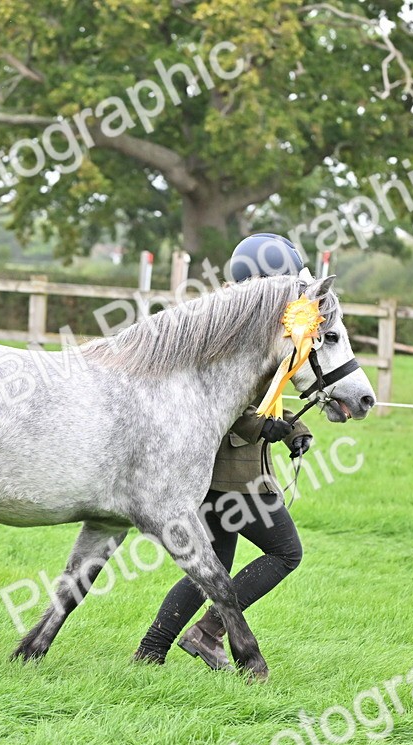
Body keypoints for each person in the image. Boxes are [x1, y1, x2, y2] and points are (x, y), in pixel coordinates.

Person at [133, 233, 312, 672]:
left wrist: (293, 430)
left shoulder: (241, 322)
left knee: (211, 567)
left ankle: (151, 649)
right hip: (236, 473)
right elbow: (227, 405)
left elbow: (264, 395)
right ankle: (209, 630)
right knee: (286, 553)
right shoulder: (235, 330)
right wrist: (265, 427)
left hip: (218, 470)